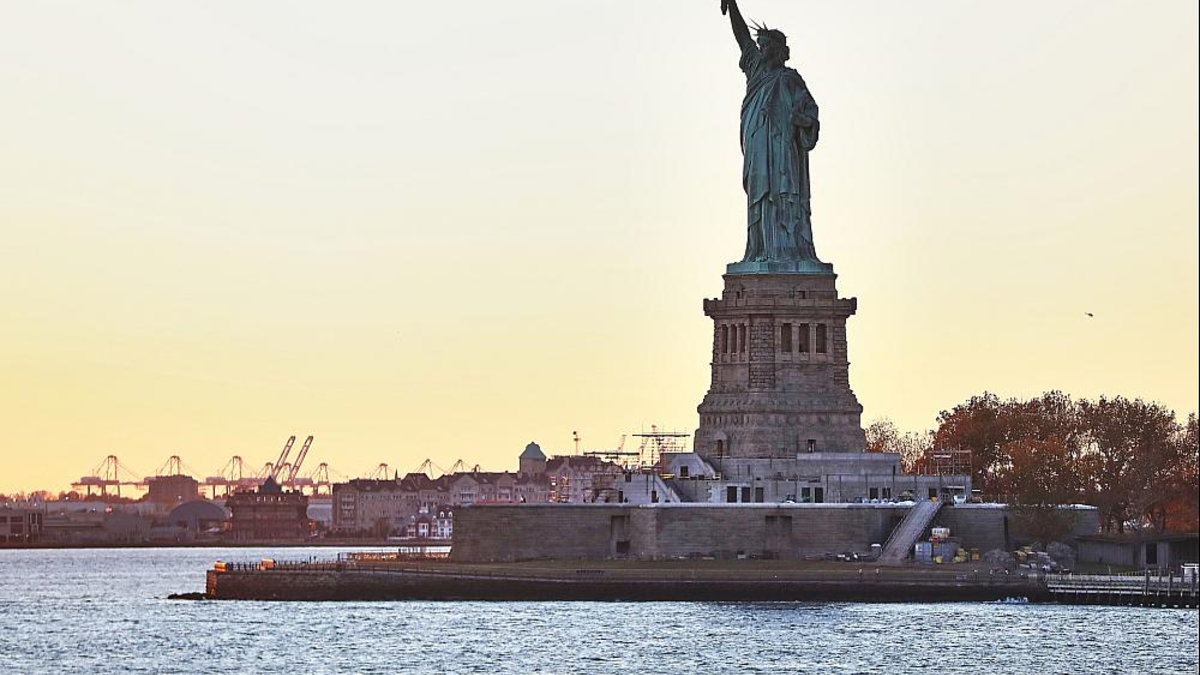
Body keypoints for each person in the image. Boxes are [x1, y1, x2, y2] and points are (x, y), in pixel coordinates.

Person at [721, 0, 824, 265]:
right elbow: (742, 38)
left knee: (782, 196)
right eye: (761, 46)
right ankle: (761, 249)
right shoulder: (756, 71)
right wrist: (732, 5)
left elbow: (810, 112)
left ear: (779, 51)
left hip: (783, 150)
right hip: (757, 144)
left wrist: (802, 120)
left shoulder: (791, 80)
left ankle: (787, 250)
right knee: (760, 196)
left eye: (766, 46)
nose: (761, 49)